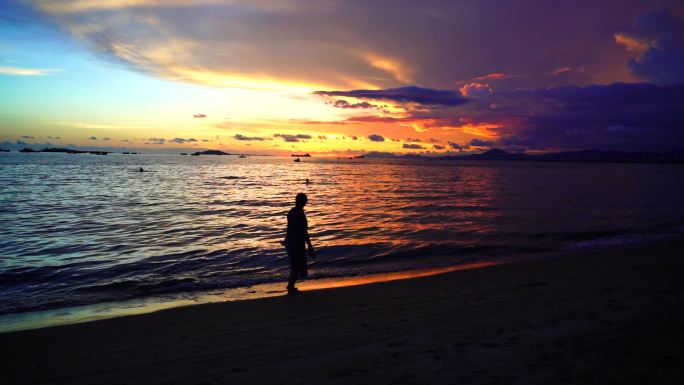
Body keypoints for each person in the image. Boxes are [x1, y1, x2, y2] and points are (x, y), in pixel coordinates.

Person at [284, 193, 315, 294]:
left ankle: (291, 285)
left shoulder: (292, 212)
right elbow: (304, 232)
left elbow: (290, 229)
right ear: (303, 202)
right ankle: (290, 286)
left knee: (295, 265)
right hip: (296, 242)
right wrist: (310, 246)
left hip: (290, 241)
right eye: (305, 201)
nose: (306, 202)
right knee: (296, 266)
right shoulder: (299, 214)